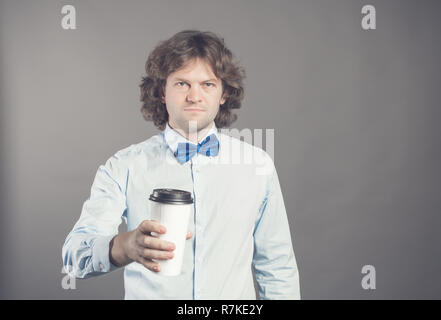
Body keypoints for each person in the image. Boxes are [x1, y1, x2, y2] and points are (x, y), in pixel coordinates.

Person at [62, 30, 300, 300]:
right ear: (161, 91)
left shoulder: (258, 165)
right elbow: (75, 256)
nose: (194, 96)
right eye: (182, 84)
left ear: (223, 93)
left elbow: (277, 267)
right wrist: (126, 246)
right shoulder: (123, 166)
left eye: (208, 84)